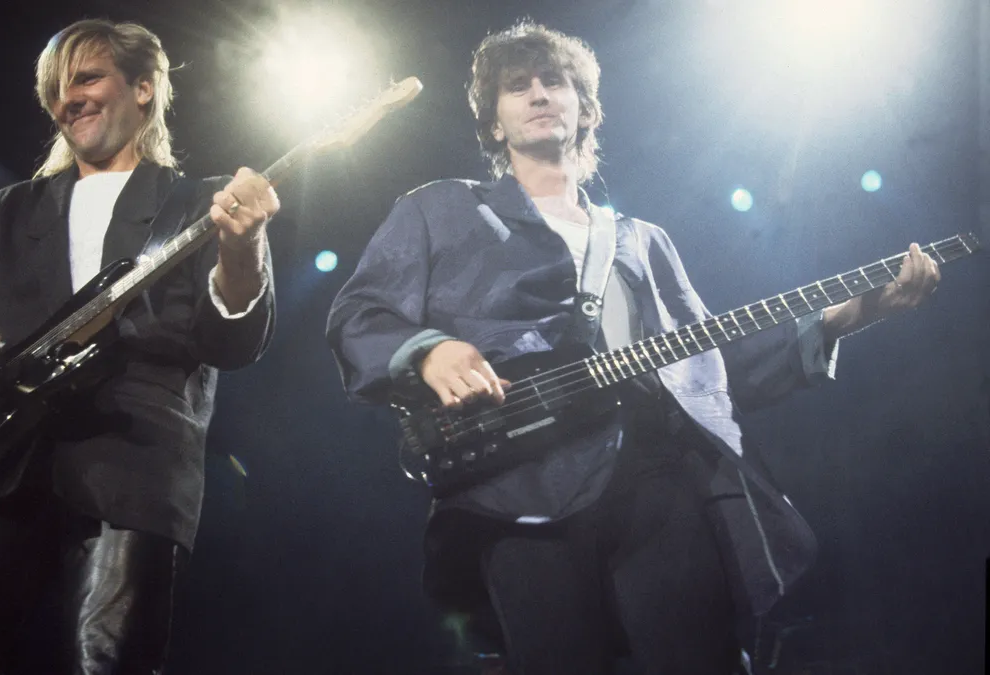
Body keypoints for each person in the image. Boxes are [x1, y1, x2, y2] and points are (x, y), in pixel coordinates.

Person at [326, 21, 940, 675]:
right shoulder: (439, 209)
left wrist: (849, 315)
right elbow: (360, 314)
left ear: (585, 109)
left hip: (655, 476)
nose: (539, 94)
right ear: (493, 123)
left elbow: (707, 372)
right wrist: (427, 350)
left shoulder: (643, 242)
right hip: (512, 485)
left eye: (554, 81)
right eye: (517, 86)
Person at [0, 19, 278, 674]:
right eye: (55, 89)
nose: (67, 99)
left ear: (144, 88)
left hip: (133, 464)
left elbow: (234, 342)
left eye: (87, 78)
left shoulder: (199, 204)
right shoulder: (8, 208)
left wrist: (242, 252)